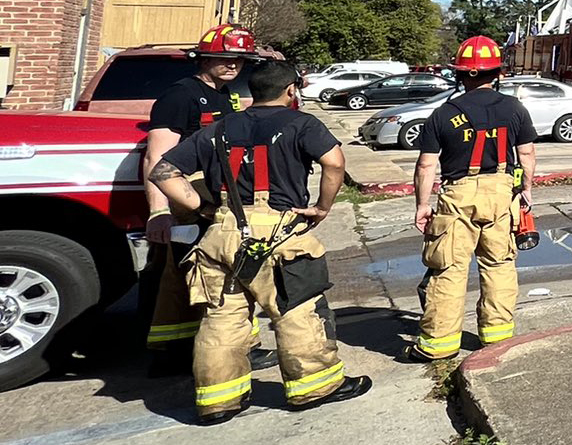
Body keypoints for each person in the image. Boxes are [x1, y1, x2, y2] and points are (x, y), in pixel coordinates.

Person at [148, 60, 371, 425]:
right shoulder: (302, 123)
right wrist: (321, 207)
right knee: (296, 311)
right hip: (278, 235)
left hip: (223, 234)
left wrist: (202, 207)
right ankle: (314, 387)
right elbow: (334, 163)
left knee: (222, 318)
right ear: (290, 90)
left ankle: (218, 400)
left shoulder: (221, 127)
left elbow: (163, 172)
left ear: (251, 91)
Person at [142, 23, 277, 375]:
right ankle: (221, 349)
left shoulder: (226, 94)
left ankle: (180, 349)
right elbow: (157, 158)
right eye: (224, 57)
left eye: (239, 59)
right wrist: (158, 212)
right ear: (204, 57)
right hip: (187, 201)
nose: (233, 65)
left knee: (195, 276)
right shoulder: (180, 95)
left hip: (215, 197)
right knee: (213, 276)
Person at [404, 36, 537, 362]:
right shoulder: (515, 109)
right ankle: (496, 335)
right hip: (501, 194)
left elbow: (426, 164)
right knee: (499, 264)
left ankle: (439, 344)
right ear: (497, 73)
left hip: (457, 196)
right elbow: (528, 153)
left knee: (448, 269)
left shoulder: (443, 114)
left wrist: (422, 205)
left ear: (461, 74)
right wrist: (527, 191)